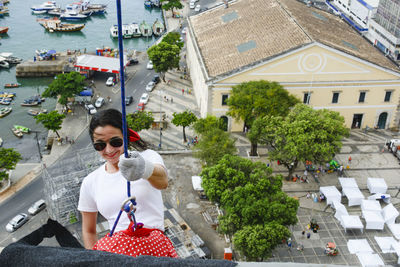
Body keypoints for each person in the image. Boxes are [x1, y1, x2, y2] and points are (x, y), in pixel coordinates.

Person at [78, 109, 169, 250]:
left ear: (126, 137)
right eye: (100, 145)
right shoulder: (90, 182)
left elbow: (163, 182)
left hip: (153, 246)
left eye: (115, 142)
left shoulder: (148, 157)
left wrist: (144, 169)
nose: (108, 150)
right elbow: (89, 230)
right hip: (119, 250)